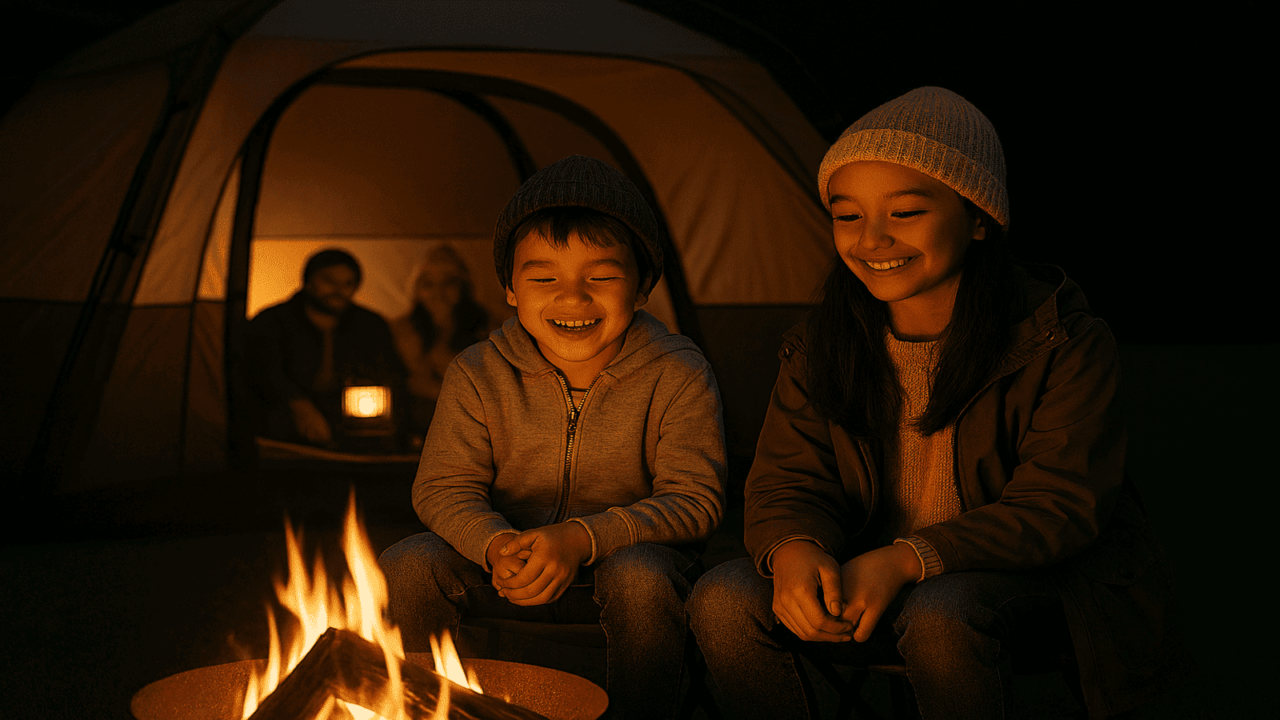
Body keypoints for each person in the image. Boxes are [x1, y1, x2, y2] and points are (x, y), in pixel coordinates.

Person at [687, 87, 1185, 720]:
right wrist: (793, 548)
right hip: (870, 571)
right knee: (723, 596)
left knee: (941, 611)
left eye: (905, 212)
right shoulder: (819, 346)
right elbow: (789, 479)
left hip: (1034, 586)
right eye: (848, 216)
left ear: (979, 219)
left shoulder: (1059, 340)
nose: (873, 240)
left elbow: (1058, 505)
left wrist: (909, 558)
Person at [379, 155, 727, 720]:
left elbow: (695, 500)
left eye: (601, 277)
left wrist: (580, 539)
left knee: (640, 577)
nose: (572, 298)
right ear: (510, 289)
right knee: (411, 562)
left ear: (642, 288)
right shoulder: (479, 371)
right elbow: (443, 487)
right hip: (506, 563)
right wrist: (495, 544)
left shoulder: (677, 371)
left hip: (628, 566)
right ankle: (427, 709)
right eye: (544, 279)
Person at [243, 248, 406, 451]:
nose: (338, 290)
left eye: (348, 283)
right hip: (283, 420)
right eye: (329, 281)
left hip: (355, 423)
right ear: (309, 282)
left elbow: (391, 372)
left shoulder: (370, 325)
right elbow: (264, 373)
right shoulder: (272, 321)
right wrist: (298, 403)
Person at [389, 244, 490, 443]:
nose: (438, 292)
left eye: (449, 283)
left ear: (463, 287)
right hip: (419, 428)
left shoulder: (489, 328)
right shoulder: (402, 330)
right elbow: (412, 381)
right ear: (417, 289)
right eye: (428, 284)